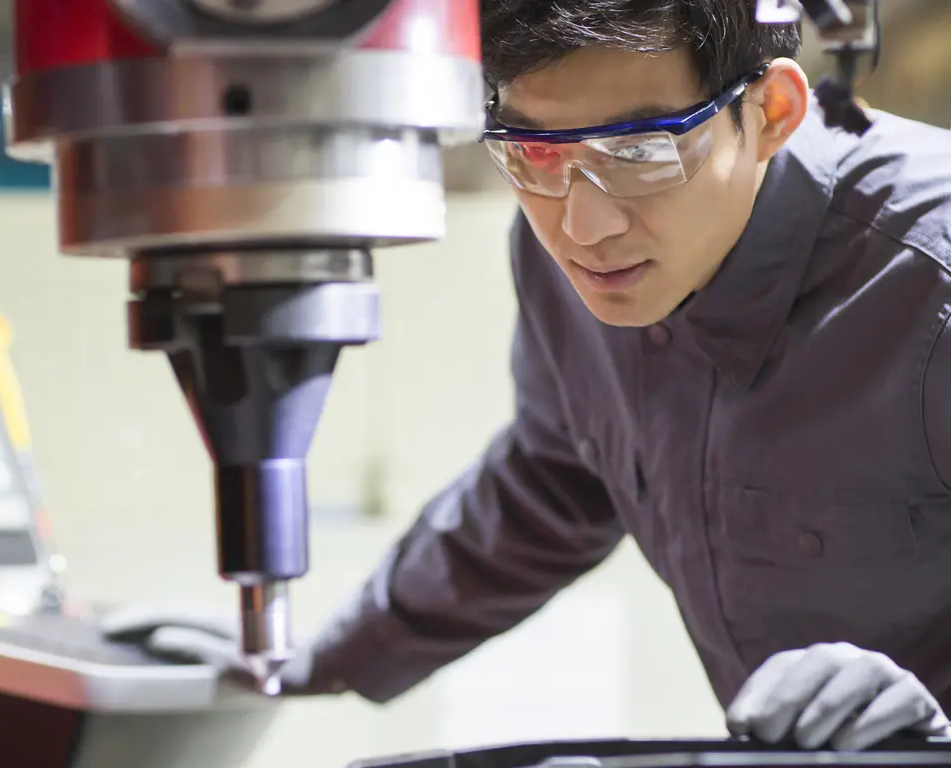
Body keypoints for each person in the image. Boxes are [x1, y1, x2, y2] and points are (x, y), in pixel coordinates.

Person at [104, 0, 951, 752]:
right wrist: (308, 654)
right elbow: (553, 479)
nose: (583, 228)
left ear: (772, 110)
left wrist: (930, 734)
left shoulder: (931, 288)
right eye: (534, 156)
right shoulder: (568, 262)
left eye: (639, 152)